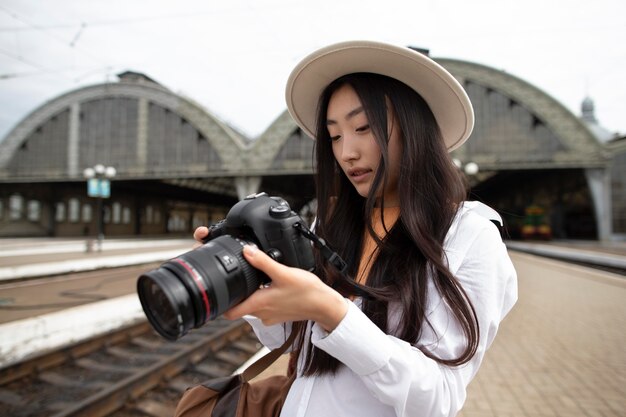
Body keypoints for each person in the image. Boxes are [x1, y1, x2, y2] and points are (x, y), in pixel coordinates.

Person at [194, 40, 517, 417]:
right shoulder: (330, 225)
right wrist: (244, 278)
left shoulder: (469, 236)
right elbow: (288, 337)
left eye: (363, 127)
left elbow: (439, 396)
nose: (347, 151)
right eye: (334, 136)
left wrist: (333, 311)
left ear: (414, 131)